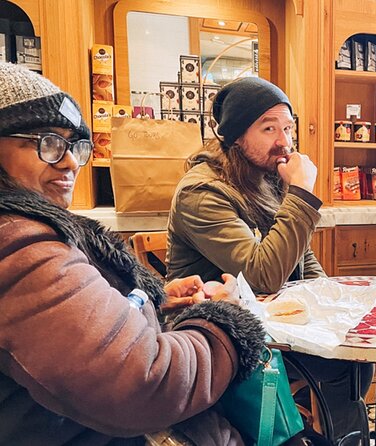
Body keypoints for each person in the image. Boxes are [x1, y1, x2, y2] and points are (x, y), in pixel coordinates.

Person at [0, 61, 266, 445]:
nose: (71, 161)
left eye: (74, 145)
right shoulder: (18, 242)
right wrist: (225, 323)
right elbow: (144, 384)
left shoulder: (28, 231)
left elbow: (74, 330)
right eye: (47, 141)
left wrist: (150, 302)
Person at [165, 76, 373, 440]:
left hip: (272, 326)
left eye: (289, 128)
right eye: (269, 127)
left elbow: (302, 260)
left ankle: (334, 437)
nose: (284, 141)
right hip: (218, 341)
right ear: (234, 136)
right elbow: (263, 274)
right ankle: (305, 435)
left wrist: (332, 306)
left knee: (353, 356)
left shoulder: (265, 175)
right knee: (341, 364)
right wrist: (302, 194)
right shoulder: (202, 192)